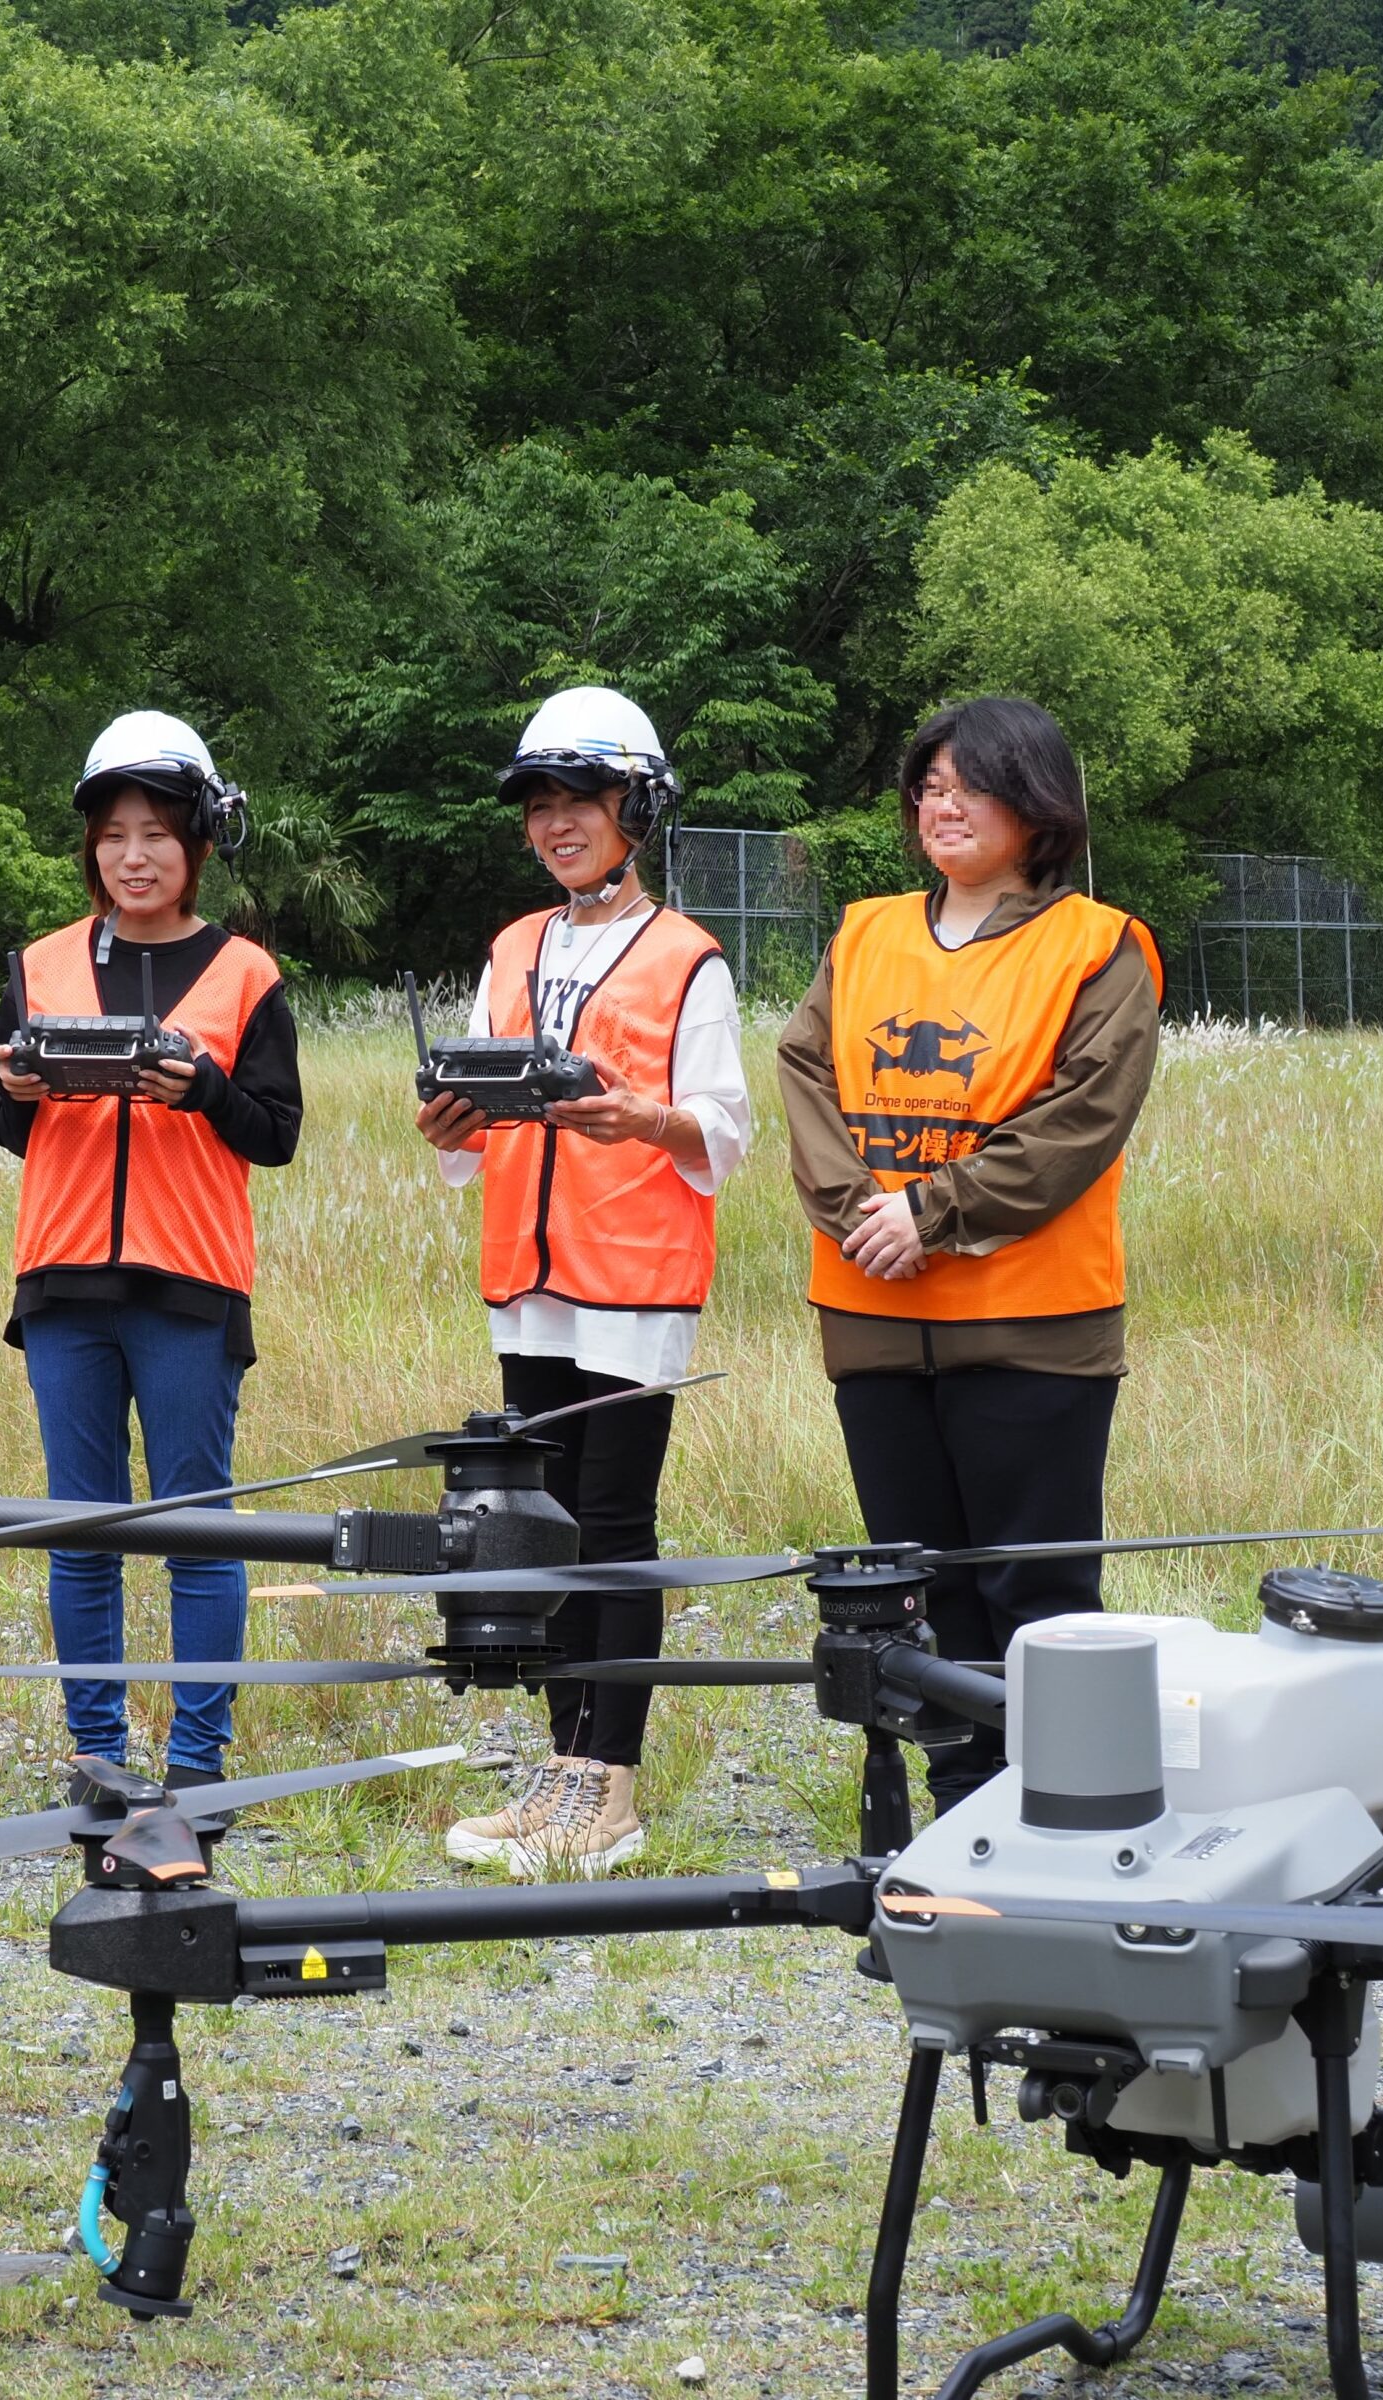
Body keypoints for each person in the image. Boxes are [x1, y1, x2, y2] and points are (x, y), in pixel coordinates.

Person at [774, 694, 1162, 1818]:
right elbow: (804, 1072)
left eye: (970, 787)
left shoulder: (1098, 945)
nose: (942, 808)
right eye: (928, 789)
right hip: (873, 1317)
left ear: (1034, 809)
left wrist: (932, 1210)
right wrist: (861, 1210)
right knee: (914, 1585)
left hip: (1031, 1326)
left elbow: (1081, 1119)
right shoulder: (864, 932)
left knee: (1032, 1590)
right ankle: (960, 1811)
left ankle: (1061, 1813)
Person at [417, 687, 751, 1877]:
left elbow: (722, 1131)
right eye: (539, 806)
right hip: (527, 1272)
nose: (556, 825)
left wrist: (637, 1119)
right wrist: (444, 1119)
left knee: (611, 1526)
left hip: (633, 1274)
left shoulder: (685, 957)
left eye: (579, 801)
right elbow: (462, 1131)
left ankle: (609, 1789)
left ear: (635, 807)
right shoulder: (513, 945)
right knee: (537, 1525)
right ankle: (563, 1769)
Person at [0, 712, 300, 1791]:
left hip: (185, 1284)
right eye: (113, 834)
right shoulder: (38, 963)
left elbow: (276, 1133)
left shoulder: (246, 974)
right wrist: (17, 1087)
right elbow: (3, 1119)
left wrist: (204, 1088)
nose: (132, 855)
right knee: (81, 1529)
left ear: (199, 842)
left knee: (194, 1530)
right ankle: (97, 1754)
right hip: (63, 1281)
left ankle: (198, 1763)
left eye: (156, 833)